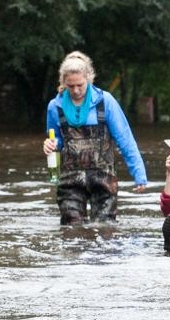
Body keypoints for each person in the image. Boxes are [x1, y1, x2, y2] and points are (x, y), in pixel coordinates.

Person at [43, 51, 147, 225]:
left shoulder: (105, 101)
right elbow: (57, 142)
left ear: (88, 78)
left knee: (105, 228)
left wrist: (139, 174)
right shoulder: (55, 106)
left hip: (104, 179)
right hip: (70, 180)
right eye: (70, 86)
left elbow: (125, 139)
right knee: (71, 229)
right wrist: (50, 145)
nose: (75, 90)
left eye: (80, 85)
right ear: (63, 83)